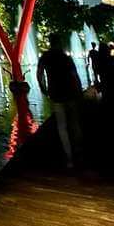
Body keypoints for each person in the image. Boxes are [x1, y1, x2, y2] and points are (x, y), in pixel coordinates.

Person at [37, 34, 83, 168]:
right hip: (70, 93)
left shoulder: (45, 56)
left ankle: (69, 158)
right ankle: (78, 150)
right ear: (59, 42)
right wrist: (79, 91)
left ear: (50, 43)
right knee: (74, 122)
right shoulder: (66, 57)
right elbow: (75, 75)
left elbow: (39, 73)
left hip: (56, 94)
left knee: (61, 126)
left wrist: (43, 88)